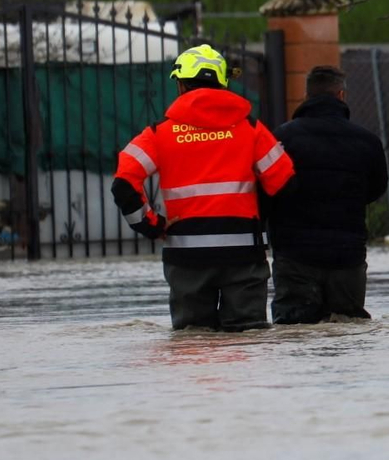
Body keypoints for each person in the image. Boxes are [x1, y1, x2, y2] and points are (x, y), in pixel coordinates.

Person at [111, 44, 296, 331]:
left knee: (192, 343)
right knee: (248, 343)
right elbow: (284, 184)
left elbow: (123, 184)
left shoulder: (159, 134)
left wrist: (152, 225)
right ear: (222, 84)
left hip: (186, 258)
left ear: (181, 84)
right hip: (243, 257)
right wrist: (259, 223)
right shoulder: (251, 129)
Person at [264, 65, 389, 323]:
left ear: (306, 95)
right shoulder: (367, 141)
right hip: (347, 256)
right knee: (347, 331)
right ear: (341, 95)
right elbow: (376, 189)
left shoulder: (282, 138)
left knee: (295, 332)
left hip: (295, 256)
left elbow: (268, 189)